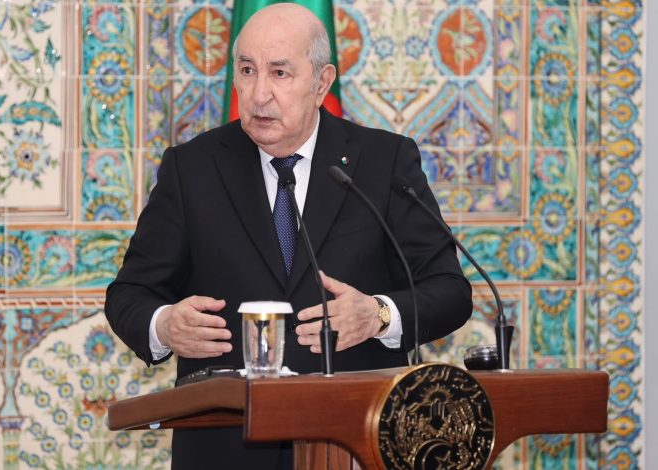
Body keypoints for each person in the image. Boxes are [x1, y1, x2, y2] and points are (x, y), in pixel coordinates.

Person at [105, 3, 472, 469]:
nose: (259, 94)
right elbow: (129, 294)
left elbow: (450, 290)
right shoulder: (192, 167)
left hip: (354, 440)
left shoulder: (383, 161)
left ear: (321, 83)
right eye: (247, 71)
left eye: (279, 73)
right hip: (224, 448)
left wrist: (378, 315)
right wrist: (164, 325)